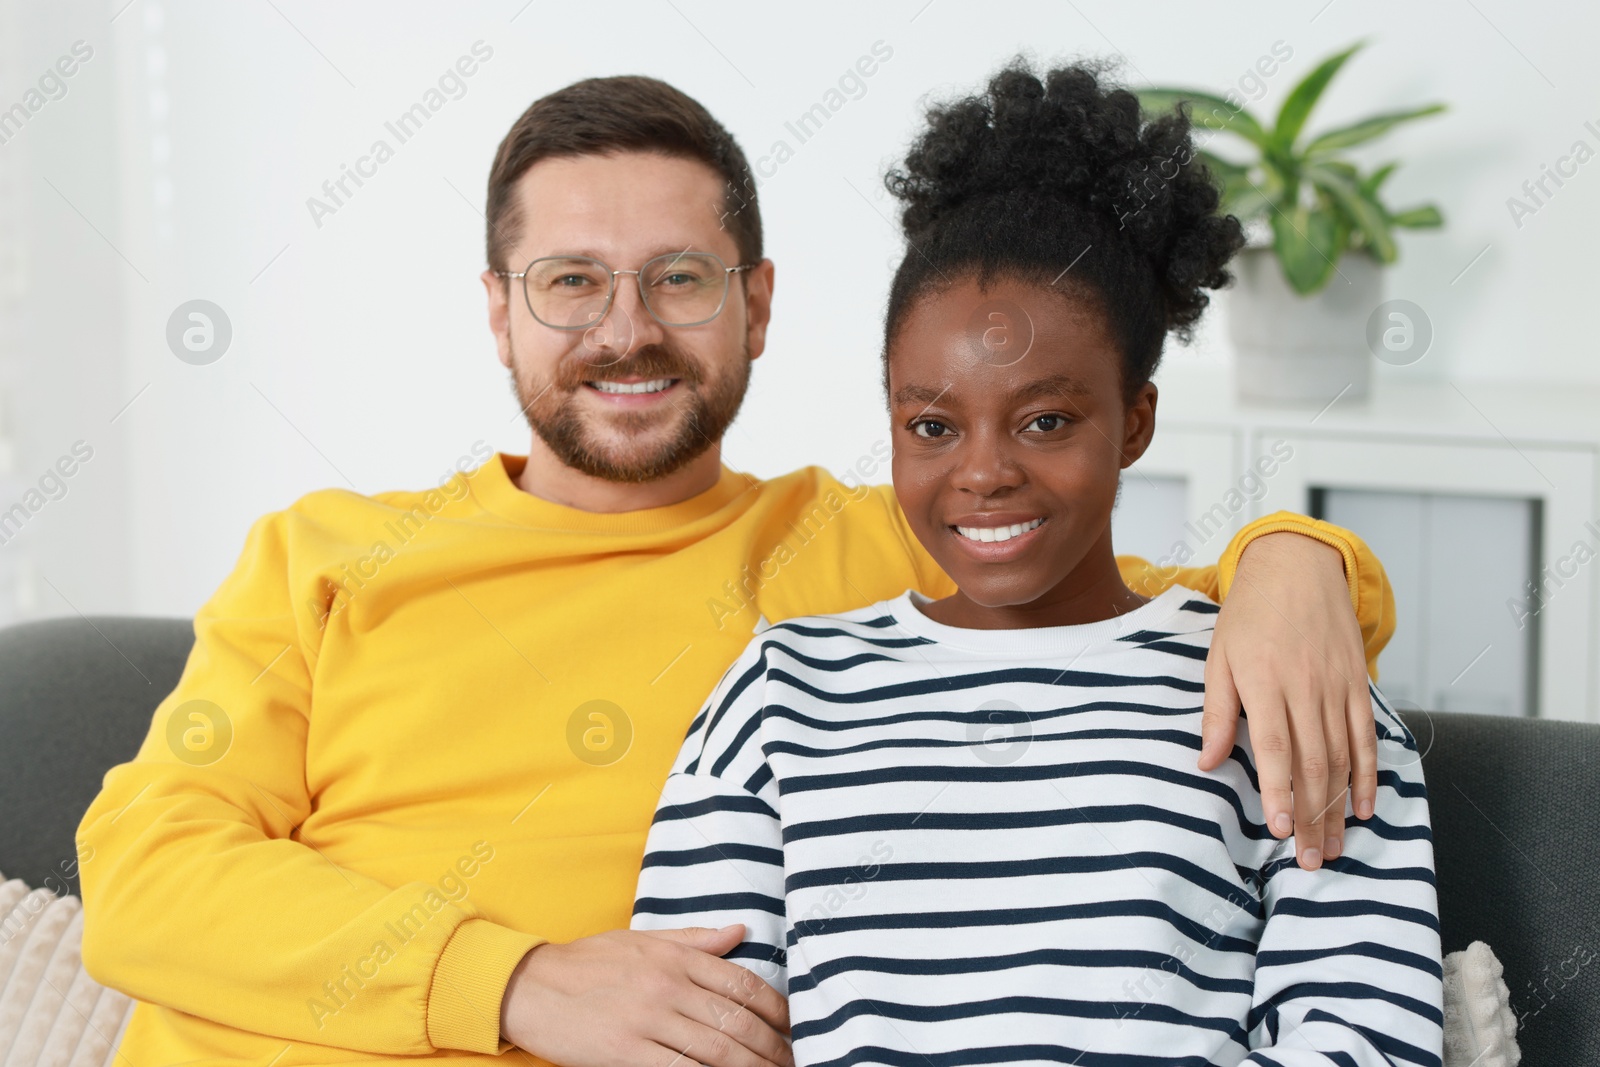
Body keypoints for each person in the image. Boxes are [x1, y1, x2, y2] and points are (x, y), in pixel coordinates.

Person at [78, 73, 1396, 1067]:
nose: (628, 331)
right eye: (570, 283)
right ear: (497, 310)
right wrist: (513, 976)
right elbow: (143, 873)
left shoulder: (874, 545)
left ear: (758, 303)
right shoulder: (325, 552)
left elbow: (1133, 612)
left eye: (680, 278)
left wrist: (1296, 557)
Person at [631, 60, 1441, 1065]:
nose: (982, 473)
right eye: (931, 424)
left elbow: (1363, 1037)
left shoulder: (1282, 688)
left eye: (1045, 419)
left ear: (1134, 421)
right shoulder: (778, 692)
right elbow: (684, 1032)